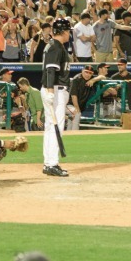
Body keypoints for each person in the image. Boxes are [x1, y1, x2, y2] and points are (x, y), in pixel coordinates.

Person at [41, 18, 72, 177]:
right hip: (55, 90)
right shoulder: (55, 47)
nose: (69, 34)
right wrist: (50, 91)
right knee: (55, 127)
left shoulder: (55, 46)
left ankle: (49, 163)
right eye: (68, 31)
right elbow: (50, 70)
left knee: (51, 127)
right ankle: (52, 163)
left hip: (55, 90)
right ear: (64, 32)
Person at [66, 65, 105, 130]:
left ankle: (68, 135)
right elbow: (73, 96)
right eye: (86, 72)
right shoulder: (76, 79)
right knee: (77, 114)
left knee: (71, 121)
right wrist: (77, 108)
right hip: (67, 105)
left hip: (73, 106)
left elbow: (103, 77)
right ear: (82, 71)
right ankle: (75, 134)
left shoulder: (90, 78)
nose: (88, 74)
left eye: (90, 73)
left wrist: (93, 80)